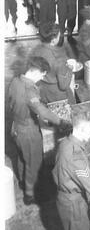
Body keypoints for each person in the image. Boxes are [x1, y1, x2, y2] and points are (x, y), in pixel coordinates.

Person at [8, 56, 63, 205]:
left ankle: (22, 181)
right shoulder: (29, 90)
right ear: (36, 71)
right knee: (34, 163)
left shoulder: (15, 80)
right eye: (42, 74)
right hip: (28, 131)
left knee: (22, 157)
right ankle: (30, 194)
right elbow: (41, 111)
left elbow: (17, 102)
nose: (42, 77)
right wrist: (61, 122)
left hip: (16, 127)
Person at [31, 23, 75, 104]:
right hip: (57, 94)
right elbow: (63, 86)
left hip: (42, 89)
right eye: (59, 35)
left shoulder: (36, 50)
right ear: (54, 40)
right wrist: (70, 69)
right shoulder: (59, 59)